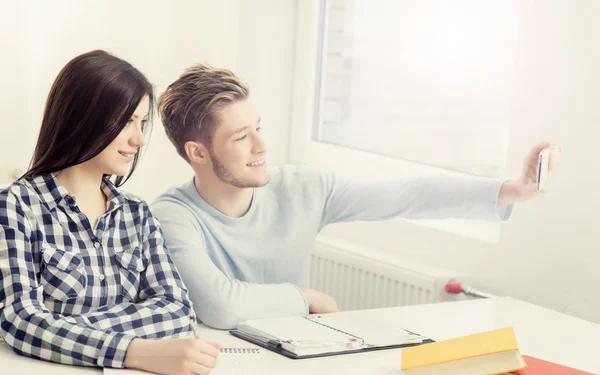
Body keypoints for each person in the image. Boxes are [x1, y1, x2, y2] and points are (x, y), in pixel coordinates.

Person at [152, 64, 561, 330]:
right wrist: (308, 298)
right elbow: (221, 306)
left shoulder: (301, 189)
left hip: (301, 353)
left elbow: (407, 195)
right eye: (242, 137)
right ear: (198, 153)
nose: (262, 146)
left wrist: (513, 190)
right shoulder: (171, 217)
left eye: (258, 127)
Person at [0, 51, 220, 374]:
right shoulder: (16, 206)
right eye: (126, 121)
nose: (139, 138)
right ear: (82, 117)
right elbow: (21, 319)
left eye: (141, 122)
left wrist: (63, 329)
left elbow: (177, 310)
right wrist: (135, 351)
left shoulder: (137, 215)